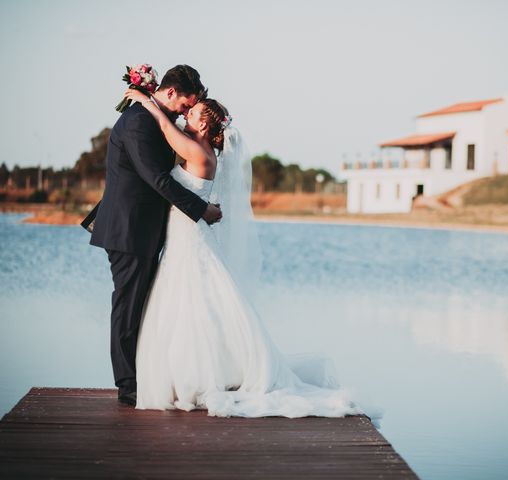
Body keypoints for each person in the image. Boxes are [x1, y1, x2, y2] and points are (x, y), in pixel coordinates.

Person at [123, 87, 376, 422]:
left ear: (203, 127)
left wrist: (145, 102)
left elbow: (167, 130)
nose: (187, 115)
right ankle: (197, 371)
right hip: (185, 235)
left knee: (195, 300)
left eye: (194, 114)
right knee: (194, 302)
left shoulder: (198, 153)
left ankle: (201, 375)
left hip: (189, 237)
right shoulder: (199, 149)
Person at [82, 65, 223, 406]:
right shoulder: (137, 122)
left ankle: (147, 376)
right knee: (128, 306)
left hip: (146, 230)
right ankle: (128, 385)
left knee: (143, 305)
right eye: (184, 105)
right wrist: (201, 210)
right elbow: (156, 179)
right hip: (128, 229)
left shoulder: (155, 116)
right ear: (171, 92)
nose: (184, 113)